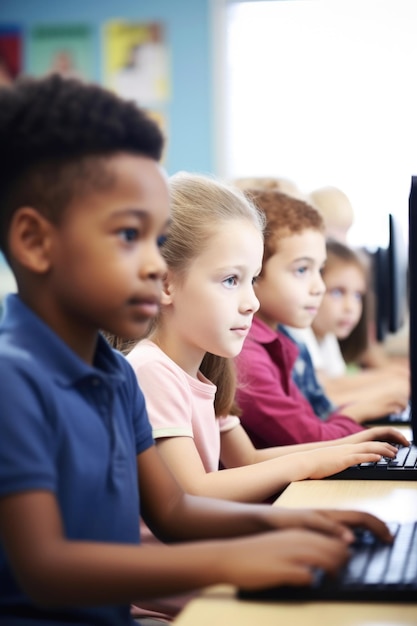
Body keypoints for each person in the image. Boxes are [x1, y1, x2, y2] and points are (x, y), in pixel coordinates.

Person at [0, 74, 398, 626]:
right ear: (36, 242)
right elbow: (46, 566)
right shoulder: (13, 382)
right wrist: (236, 557)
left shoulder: (112, 375)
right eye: (127, 236)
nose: (153, 264)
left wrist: (301, 523)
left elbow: (175, 511)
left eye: (158, 239)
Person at [107, 172, 408, 508]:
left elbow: (247, 460)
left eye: (251, 279)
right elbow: (193, 493)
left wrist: (345, 446)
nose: (252, 302)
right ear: (165, 284)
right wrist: (310, 463)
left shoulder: (207, 367)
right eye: (231, 280)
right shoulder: (151, 371)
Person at [234, 188, 410, 449]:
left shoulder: (283, 341)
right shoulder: (245, 356)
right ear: (254, 272)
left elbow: (311, 417)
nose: (319, 287)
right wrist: (360, 421)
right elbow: (309, 435)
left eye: (320, 269)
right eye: (303, 269)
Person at [309, 238, 409, 418]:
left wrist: (393, 378)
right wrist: (390, 386)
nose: (351, 307)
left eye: (357, 296)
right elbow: (326, 394)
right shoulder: (300, 334)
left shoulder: (326, 334)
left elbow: (338, 381)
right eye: (338, 292)